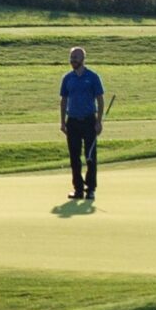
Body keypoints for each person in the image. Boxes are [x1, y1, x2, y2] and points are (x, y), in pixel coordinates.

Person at [59, 46, 105, 202]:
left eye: (76, 58)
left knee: (90, 157)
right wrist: (62, 122)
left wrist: (98, 122)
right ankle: (78, 189)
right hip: (72, 121)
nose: (73, 60)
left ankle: (90, 189)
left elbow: (100, 99)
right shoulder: (67, 78)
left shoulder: (92, 77)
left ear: (83, 59)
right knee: (74, 157)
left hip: (88, 120)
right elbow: (64, 100)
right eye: (71, 57)